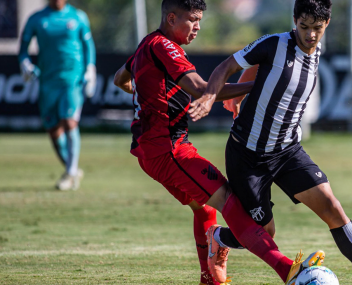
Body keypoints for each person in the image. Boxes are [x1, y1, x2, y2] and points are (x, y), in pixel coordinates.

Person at [188, 0, 352, 285]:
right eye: (303, 27)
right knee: (263, 232)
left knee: (332, 207)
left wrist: (240, 95)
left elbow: (265, 72)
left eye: (317, 28)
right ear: (294, 20)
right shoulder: (274, 44)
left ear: (326, 24)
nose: (310, 35)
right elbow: (227, 65)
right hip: (247, 156)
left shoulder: (317, 49)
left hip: (287, 152)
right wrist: (212, 96)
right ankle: (218, 238)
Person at [113, 1, 326, 285]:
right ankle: (287, 268)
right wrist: (260, 85)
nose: (198, 27)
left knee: (205, 208)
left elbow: (120, 79)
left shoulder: (147, 44)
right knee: (229, 200)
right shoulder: (165, 47)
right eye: (193, 20)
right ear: (172, 17)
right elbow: (203, 89)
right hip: (168, 149)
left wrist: (142, 93)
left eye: (200, 20)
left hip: (153, 149)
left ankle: (209, 279)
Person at [18, 0, 96, 191]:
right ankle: (72, 169)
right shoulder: (37, 19)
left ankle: (70, 173)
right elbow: (23, 49)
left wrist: (90, 69)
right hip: (47, 81)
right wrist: (25, 64)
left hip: (72, 78)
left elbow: (88, 46)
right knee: (53, 130)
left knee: (70, 122)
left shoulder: (78, 17)